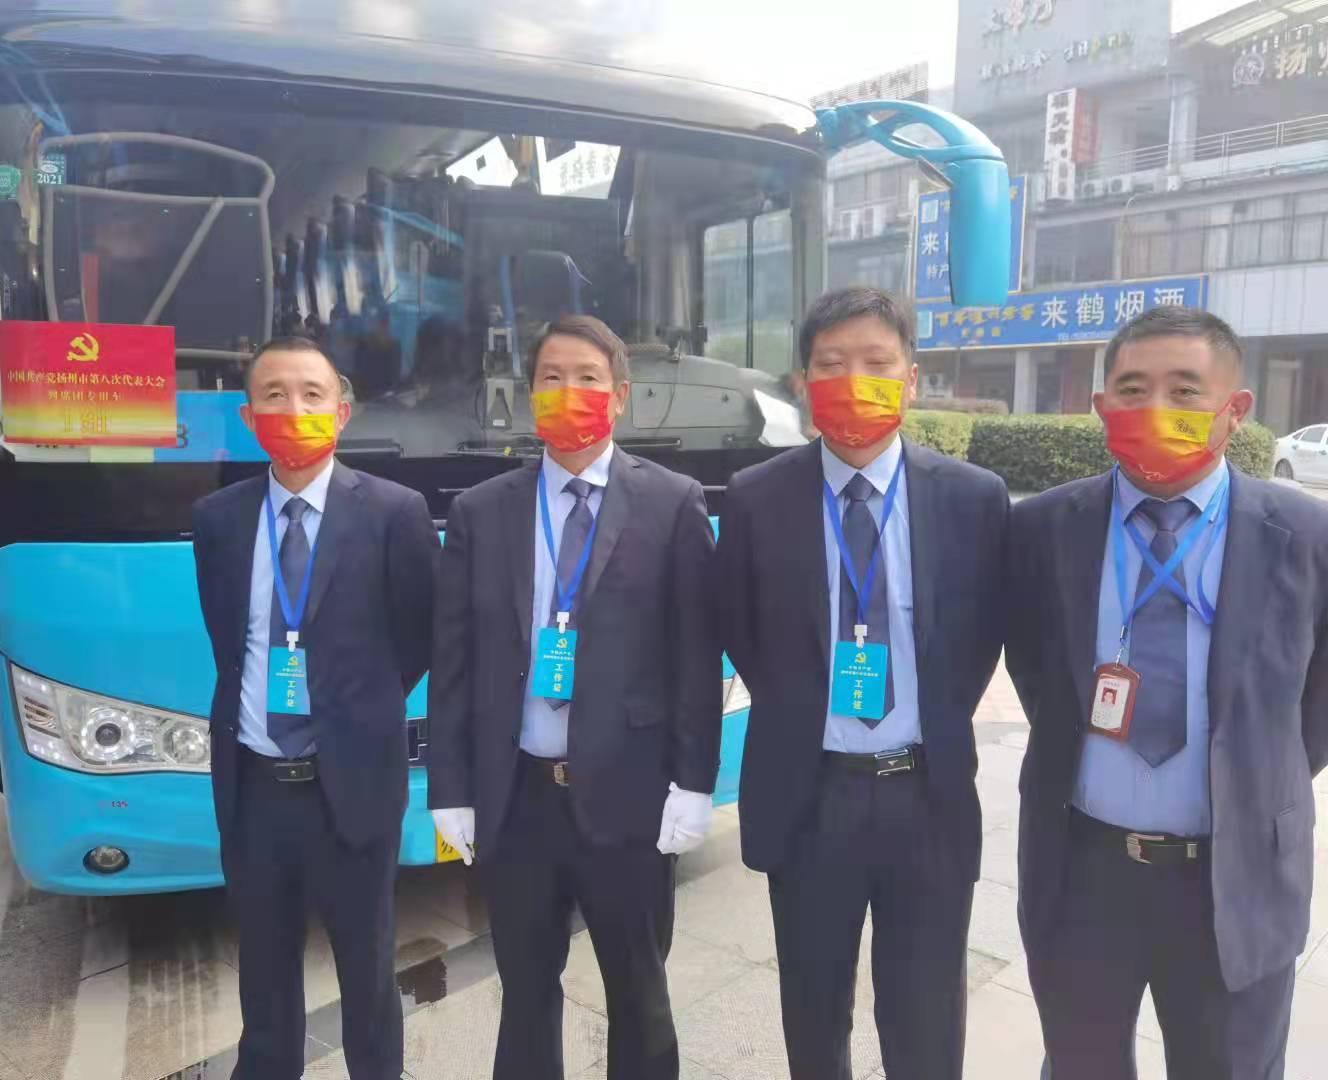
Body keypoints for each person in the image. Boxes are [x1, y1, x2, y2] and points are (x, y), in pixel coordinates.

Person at [1007, 306, 1328, 1080]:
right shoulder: (1043, 528)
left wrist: (1253, 771)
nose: (1156, 409)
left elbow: (1314, 708)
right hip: (1084, 874)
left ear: (1235, 409)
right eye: (1132, 390)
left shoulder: (1306, 535)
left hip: (1234, 877)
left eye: (1185, 391)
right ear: (1101, 407)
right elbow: (1037, 674)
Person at [716, 286, 1009, 1080]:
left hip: (926, 796)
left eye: (877, 363)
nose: (854, 381)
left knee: (926, 1020)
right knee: (814, 1016)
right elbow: (742, 631)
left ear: (910, 378)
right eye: (832, 364)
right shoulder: (756, 498)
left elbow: (980, 639)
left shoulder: (973, 499)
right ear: (802, 382)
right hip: (809, 796)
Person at [428, 314, 721, 1080]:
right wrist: (450, 788)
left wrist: (695, 782)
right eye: (551, 378)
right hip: (517, 800)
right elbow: (453, 662)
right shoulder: (481, 512)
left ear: (619, 395)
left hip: (629, 798)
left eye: (587, 378)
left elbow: (695, 658)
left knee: (639, 996)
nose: (569, 392)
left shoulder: (672, 503)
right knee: (526, 994)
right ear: (529, 396)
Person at [191, 336, 437, 1080]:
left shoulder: (394, 512)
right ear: (248, 416)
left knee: (367, 977)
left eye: (310, 393)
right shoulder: (219, 519)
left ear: (342, 410)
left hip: (351, 788)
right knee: (264, 979)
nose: (292, 408)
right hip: (254, 789)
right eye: (273, 395)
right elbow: (230, 643)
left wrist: (353, 714)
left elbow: (417, 638)